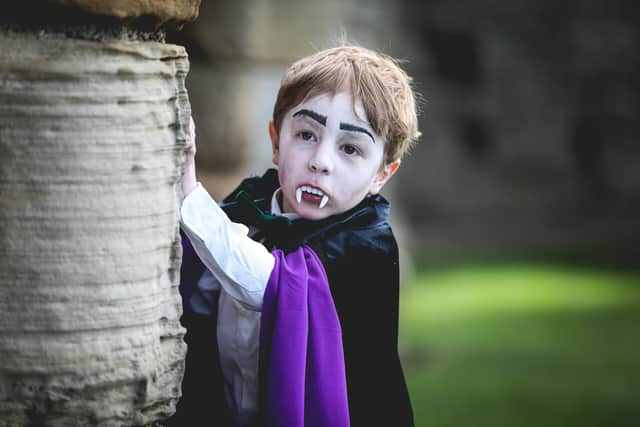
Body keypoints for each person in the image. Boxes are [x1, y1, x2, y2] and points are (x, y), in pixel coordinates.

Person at [171, 45, 421, 427]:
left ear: (381, 175)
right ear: (275, 141)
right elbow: (201, 285)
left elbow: (268, 284)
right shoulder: (245, 208)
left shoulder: (367, 246)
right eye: (306, 134)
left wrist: (190, 194)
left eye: (351, 148)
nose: (321, 160)